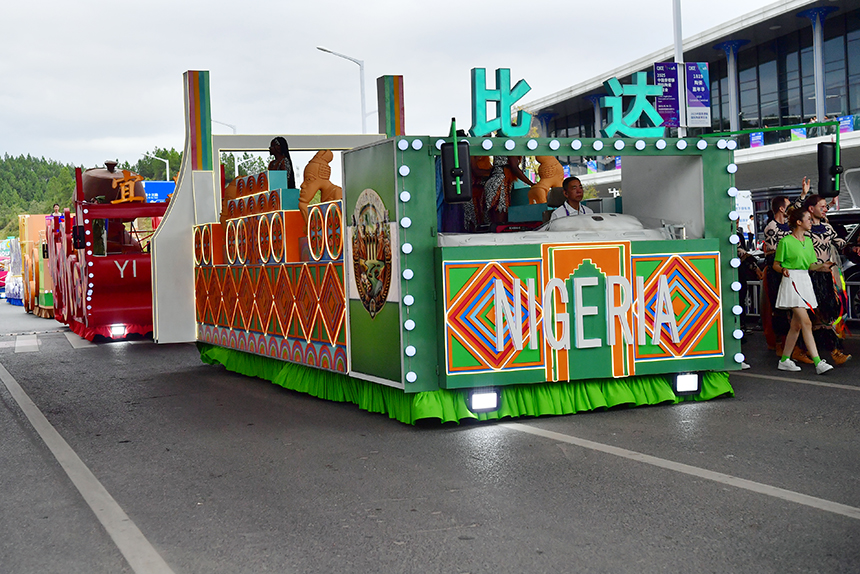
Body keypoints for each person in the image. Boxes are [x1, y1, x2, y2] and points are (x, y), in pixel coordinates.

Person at [772, 208, 834, 374]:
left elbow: (810, 266)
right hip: (791, 281)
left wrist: (823, 266)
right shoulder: (785, 242)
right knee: (806, 322)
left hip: (805, 280)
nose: (811, 221)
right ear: (799, 222)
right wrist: (783, 269)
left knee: (797, 325)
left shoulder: (808, 241)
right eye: (808, 218)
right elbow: (776, 264)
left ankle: (785, 360)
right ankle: (818, 362)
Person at [802, 193, 851, 365]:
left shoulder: (828, 228)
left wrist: (852, 246)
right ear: (810, 209)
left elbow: (839, 242)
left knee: (827, 314)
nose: (825, 209)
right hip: (810, 275)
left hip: (827, 277)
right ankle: (809, 350)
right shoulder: (804, 229)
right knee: (812, 316)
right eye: (822, 206)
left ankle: (830, 351)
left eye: (826, 206)